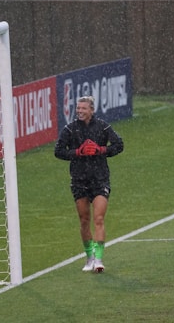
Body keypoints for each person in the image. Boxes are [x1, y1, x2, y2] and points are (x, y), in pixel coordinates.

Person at [54, 96, 124, 273]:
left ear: (92, 110)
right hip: (79, 180)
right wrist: (78, 152)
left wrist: (102, 150)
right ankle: (89, 257)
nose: (80, 111)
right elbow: (58, 151)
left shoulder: (102, 126)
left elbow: (119, 144)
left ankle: (99, 259)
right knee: (84, 220)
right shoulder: (70, 129)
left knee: (99, 218)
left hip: (100, 178)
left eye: (83, 108)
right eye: (78, 108)